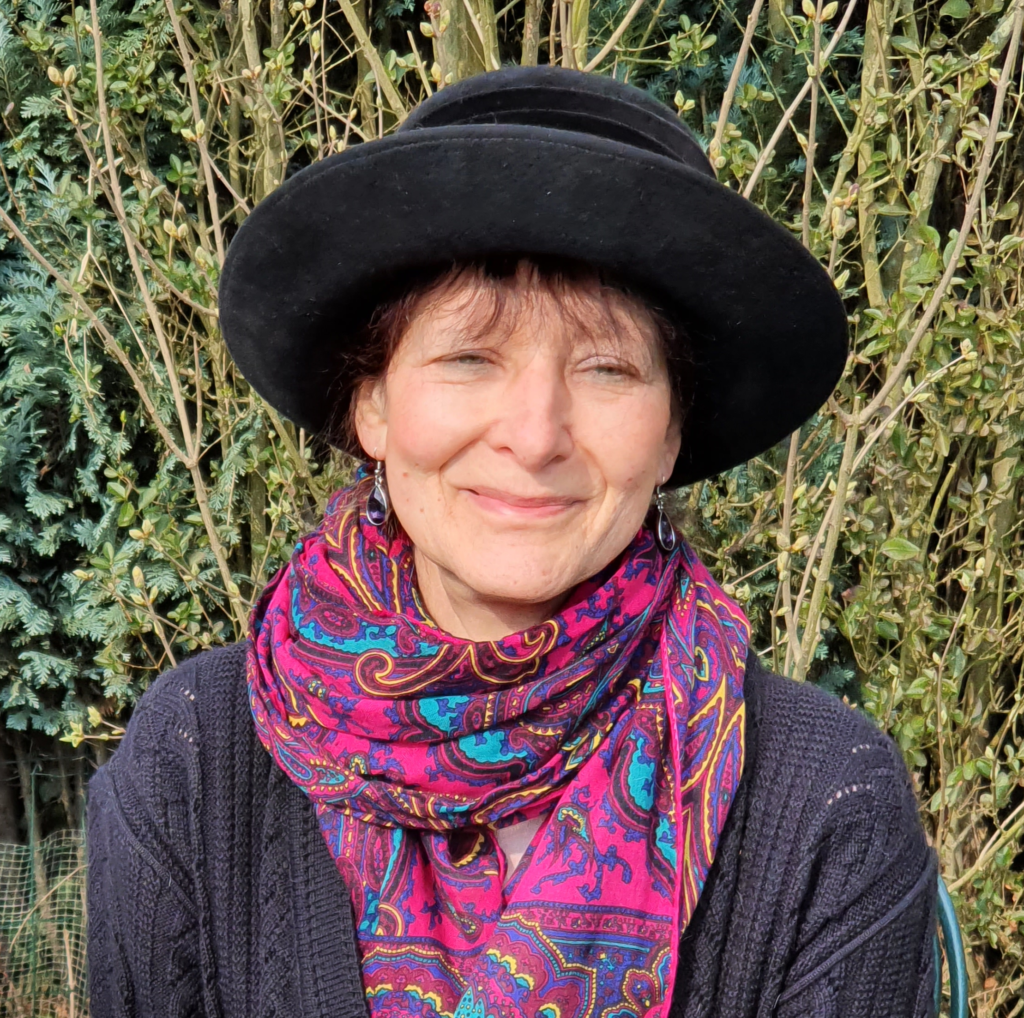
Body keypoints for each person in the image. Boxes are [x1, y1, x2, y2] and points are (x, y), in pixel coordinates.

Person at [86, 67, 938, 1018]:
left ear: (671, 433)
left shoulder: (828, 805)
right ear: (372, 405)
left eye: (607, 370)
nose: (535, 438)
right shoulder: (194, 763)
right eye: (468, 358)